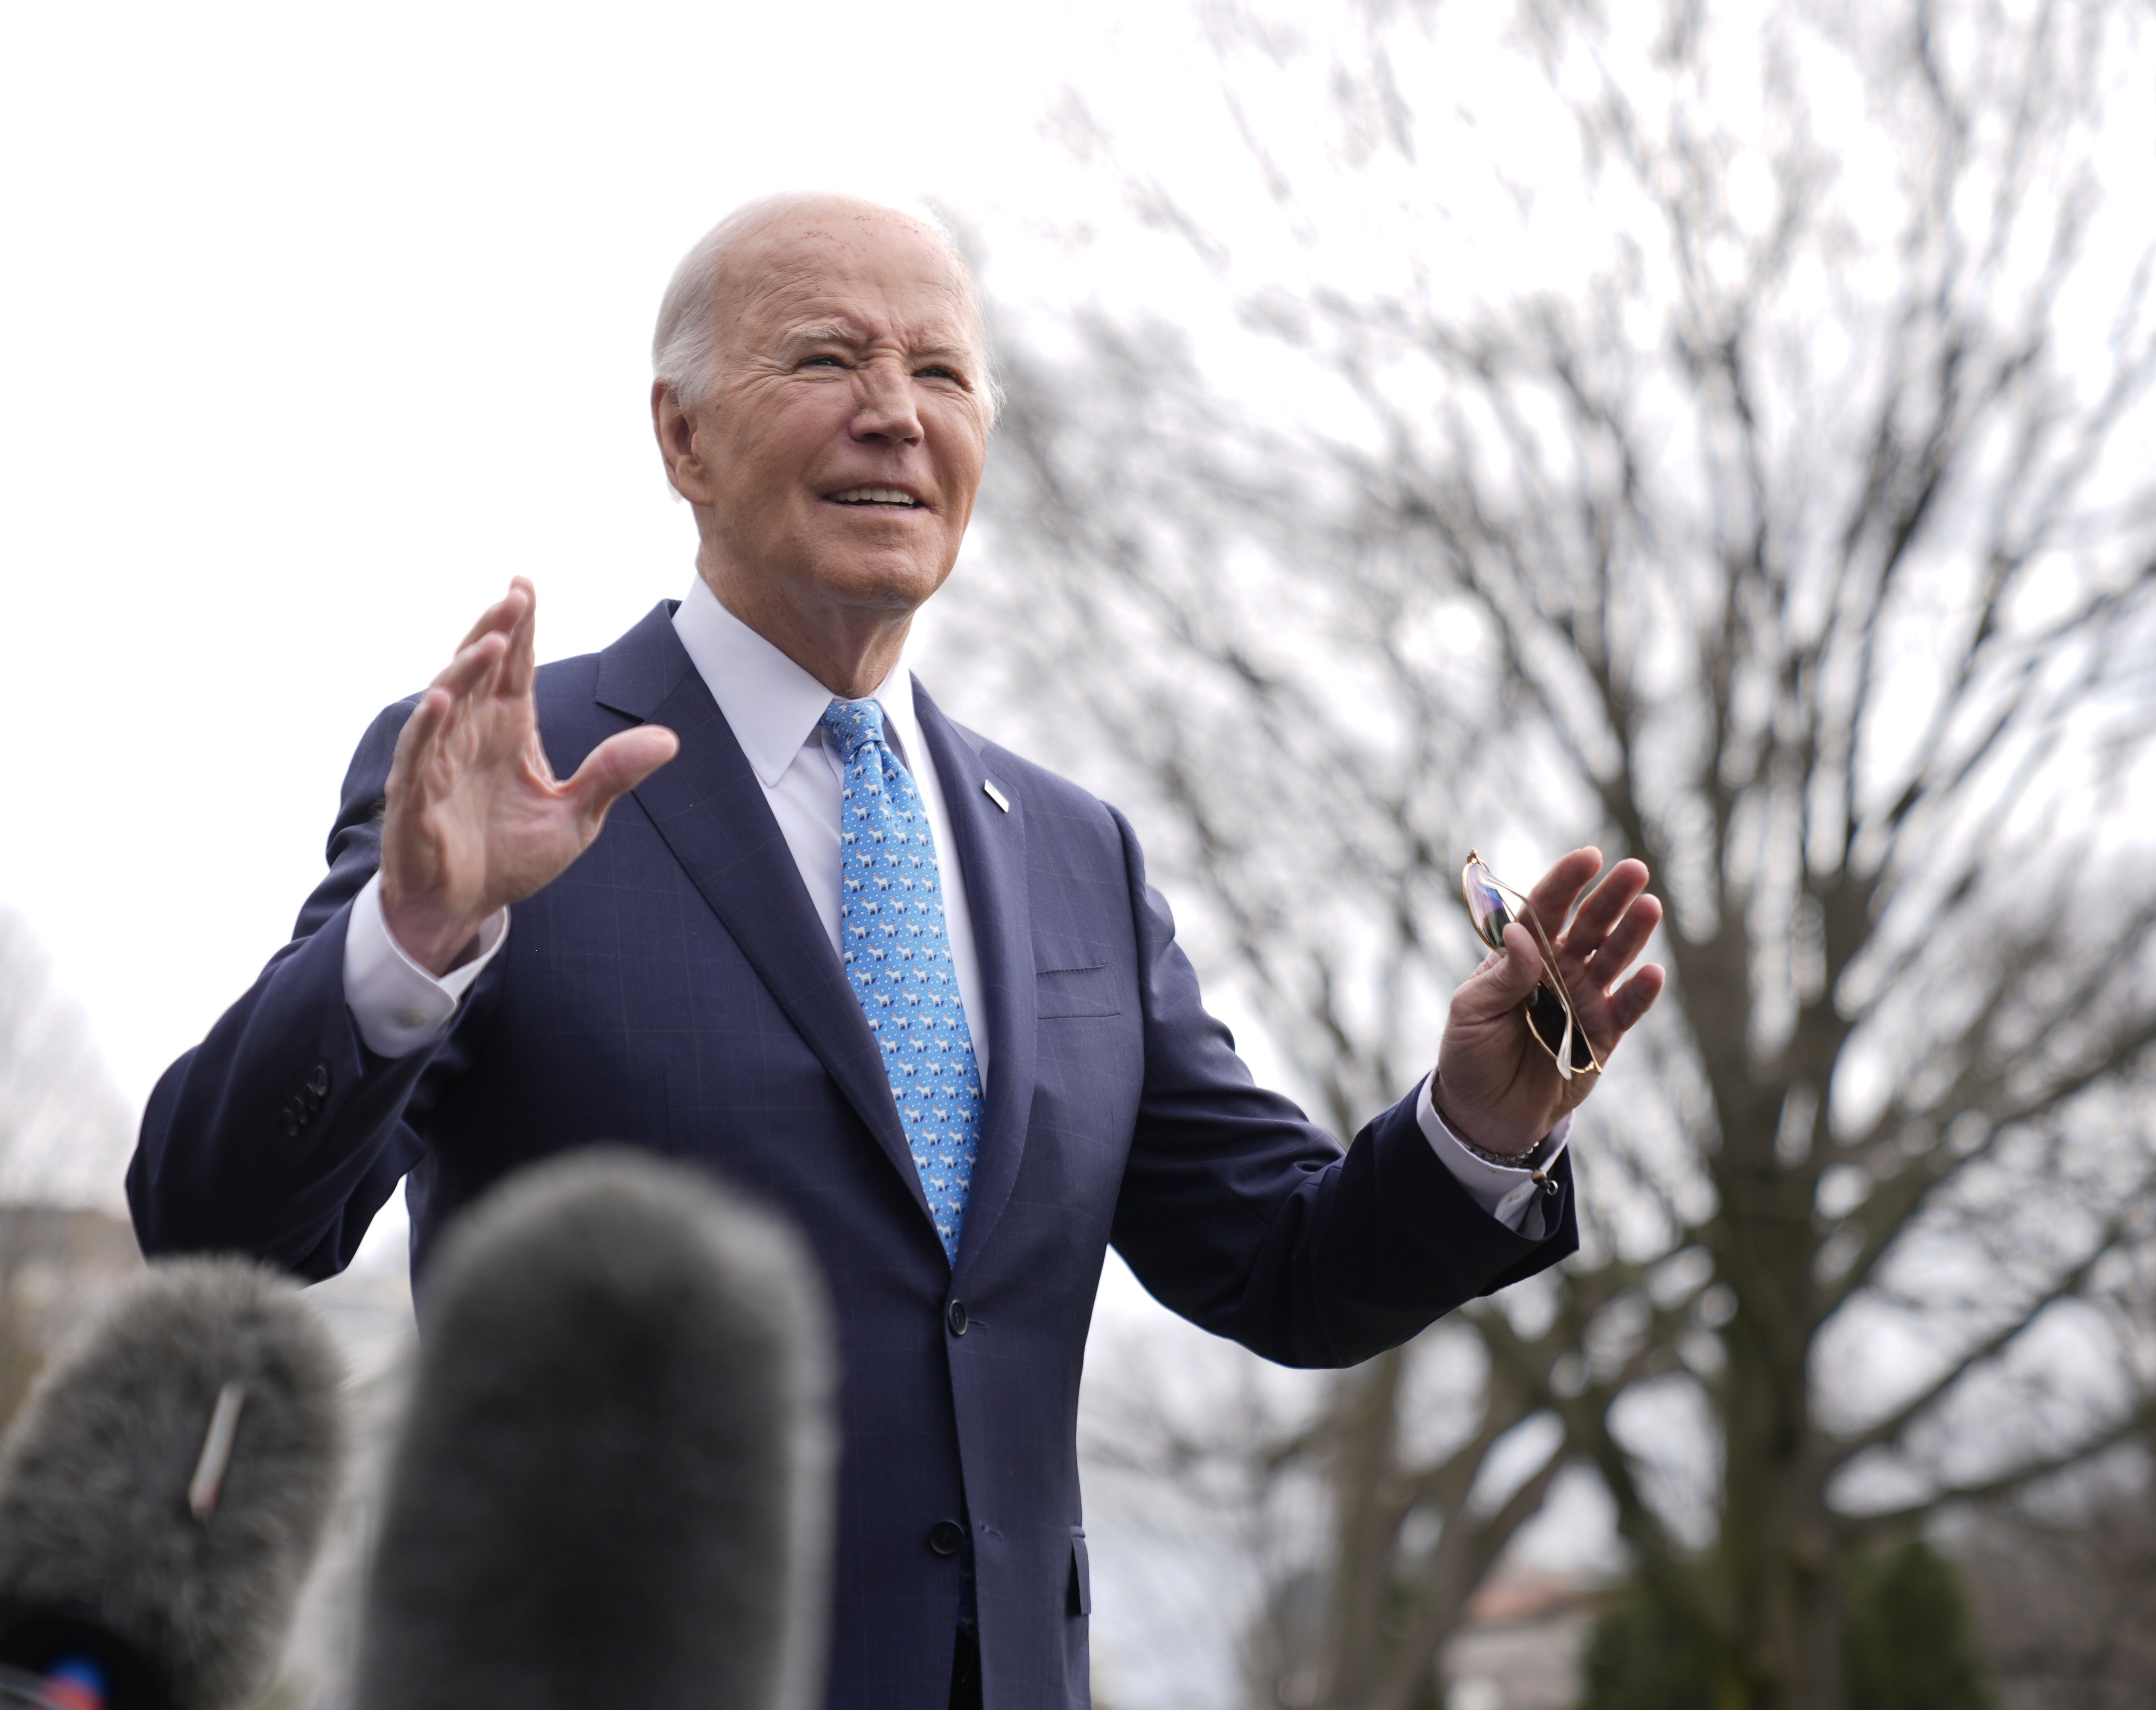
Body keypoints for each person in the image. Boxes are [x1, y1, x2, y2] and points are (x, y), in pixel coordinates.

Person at [127, 192, 1664, 1710]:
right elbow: (221, 1222)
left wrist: (1483, 1127)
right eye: (824, 362)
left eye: (940, 375)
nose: (893, 417)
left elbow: (1286, 1270)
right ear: (681, 440)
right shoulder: (501, 785)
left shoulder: (1077, 855)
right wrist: (414, 940)